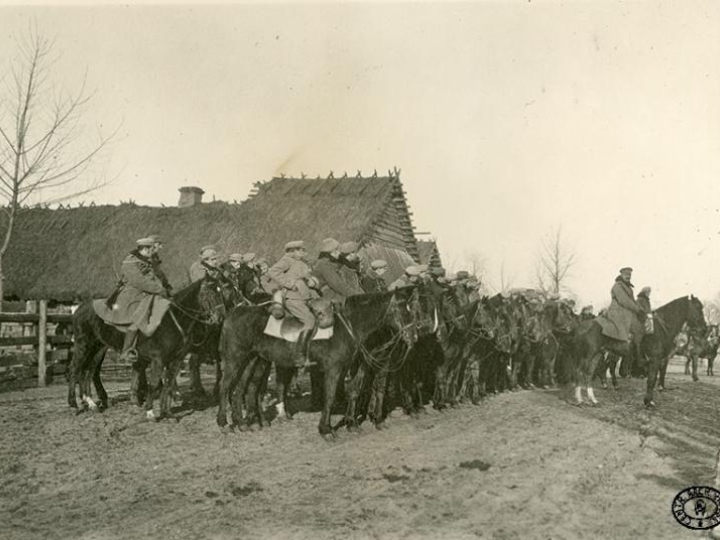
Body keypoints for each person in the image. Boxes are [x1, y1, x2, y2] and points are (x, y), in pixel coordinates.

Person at [115, 237, 171, 363]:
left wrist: (162, 288)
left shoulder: (147, 261)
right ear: (145, 249)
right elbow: (140, 282)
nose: (154, 251)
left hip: (149, 294)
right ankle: (126, 350)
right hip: (132, 296)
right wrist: (159, 289)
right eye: (152, 249)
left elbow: (154, 278)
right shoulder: (130, 263)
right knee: (138, 317)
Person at [268, 241, 320, 368]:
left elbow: (307, 278)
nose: (303, 252)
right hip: (293, 298)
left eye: (303, 250)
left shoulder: (302, 262)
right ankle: (299, 355)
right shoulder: (287, 260)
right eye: (300, 250)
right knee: (309, 320)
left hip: (306, 297)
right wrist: (290, 283)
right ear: (292, 251)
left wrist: (312, 282)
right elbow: (273, 271)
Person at [605, 267, 646, 342]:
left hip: (625, 311)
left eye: (629, 274)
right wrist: (637, 310)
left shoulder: (628, 287)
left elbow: (633, 301)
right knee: (637, 327)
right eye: (626, 274)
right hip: (617, 311)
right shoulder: (617, 286)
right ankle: (637, 351)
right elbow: (624, 301)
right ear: (621, 275)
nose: (628, 276)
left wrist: (642, 310)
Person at [313, 238, 358, 303]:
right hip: (327, 296)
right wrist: (358, 295)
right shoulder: (324, 264)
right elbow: (338, 285)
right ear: (332, 251)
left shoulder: (330, 262)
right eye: (338, 249)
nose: (340, 253)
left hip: (332, 292)